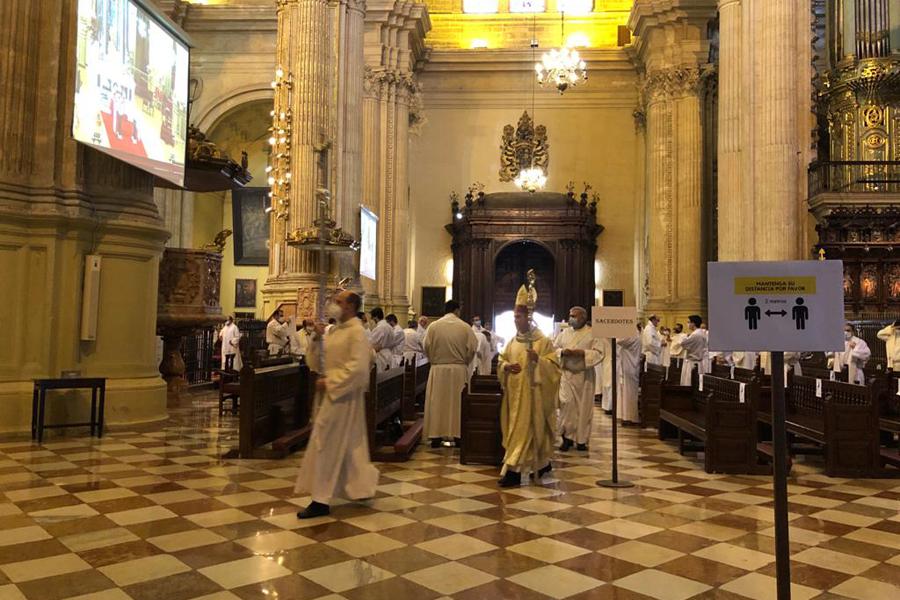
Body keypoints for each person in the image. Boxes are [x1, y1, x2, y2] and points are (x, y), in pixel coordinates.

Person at [294, 290, 379, 519]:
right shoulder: (335, 331)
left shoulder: (357, 332)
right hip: (332, 397)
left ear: (350, 307)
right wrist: (318, 338)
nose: (333, 305)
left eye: (339, 302)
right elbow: (315, 361)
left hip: (343, 399)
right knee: (351, 446)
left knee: (326, 445)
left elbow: (359, 369)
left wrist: (330, 382)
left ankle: (320, 500)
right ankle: (361, 488)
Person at [497, 288, 561, 487]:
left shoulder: (542, 342)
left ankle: (514, 472)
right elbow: (501, 360)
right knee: (520, 431)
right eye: (514, 316)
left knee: (528, 430)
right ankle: (542, 464)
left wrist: (538, 361)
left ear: (528, 317)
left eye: (518, 316)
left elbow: (554, 369)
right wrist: (506, 366)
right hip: (514, 396)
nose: (515, 320)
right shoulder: (513, 341)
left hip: (534, 395)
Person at [423, 300, 479, 447]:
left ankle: (435, 436)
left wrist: (434, 360)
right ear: (456, 311)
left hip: (438, 369)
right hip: (458, 370)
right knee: (457, 404)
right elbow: (472, 348)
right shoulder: (465, 327)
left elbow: (426, 346)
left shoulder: (433, 327)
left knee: (438, 402)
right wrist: (464, 361)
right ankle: (458, 435)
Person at [555, 306, 604, 451]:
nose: (571, 318)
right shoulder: (564, 333)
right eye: (570, 315)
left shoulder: (592, 333)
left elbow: (599, 352)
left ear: (582, 317)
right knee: (566, 405)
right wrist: (563, 352)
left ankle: (581, 439)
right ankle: (567, 437)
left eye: (574, 316)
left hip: (584, 376)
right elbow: (553, 348)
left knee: (584, 408)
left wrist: (581, 353)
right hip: (567, 375)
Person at [617, 325, 641, 426]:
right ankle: (624, 416)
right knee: (625, 392)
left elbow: (618, 340)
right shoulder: (632, 332)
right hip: (628, 366)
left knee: (629, 393)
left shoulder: (632, 332)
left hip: (630, 366)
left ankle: (629, 417)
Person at [679, 315, 708, 385]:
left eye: (688, 322)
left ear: (693, 323)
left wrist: (686, 337)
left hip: (692, 363)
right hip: (698, 362)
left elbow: (683, 344)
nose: (687, 324)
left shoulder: (695, 334)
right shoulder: (701, 333)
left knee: (689, 383)